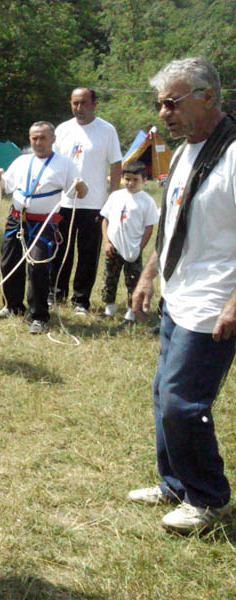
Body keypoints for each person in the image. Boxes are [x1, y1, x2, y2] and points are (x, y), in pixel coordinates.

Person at [128, 57, 236, 533]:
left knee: (182, 402)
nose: (164, 112)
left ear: (207, 97)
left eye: (172, 102)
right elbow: (172, 224)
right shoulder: (186, 151)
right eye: (160, 104)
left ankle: (209, 498)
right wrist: (149, 275)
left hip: (215, 300)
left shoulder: (233, 155)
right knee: (162, 394)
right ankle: (175, 484)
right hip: (178, 291)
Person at [0, 122, 87, 334]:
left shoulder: (65, 164)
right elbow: (4, 187)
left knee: (38, 267)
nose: (38, 142)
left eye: (43, 138)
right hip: (16, 220)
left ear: (53, 140)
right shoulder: (21, 161)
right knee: (9, 263)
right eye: (34, 138)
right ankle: (12, 306)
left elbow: (80, 192)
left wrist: (82, 187)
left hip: (43, 223)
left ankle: (38, 316)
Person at [51, 87, 123, 314]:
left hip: (93, 204)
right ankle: (56, 293)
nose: (78, 108)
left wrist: (112, 198)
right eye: (74, 103)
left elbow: (116, 164)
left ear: (94, 104)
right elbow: (53, 162)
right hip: (64, 202)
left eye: (83, 103)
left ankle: (80, 300)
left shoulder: (106, 130)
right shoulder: (62, 130)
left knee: (88, 254)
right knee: (61, 250)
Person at [99, 160, 158, 321]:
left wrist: (140, 247)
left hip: (132, 249)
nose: (130, 183)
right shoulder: (115, 196)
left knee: (133, 281)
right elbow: (105, 220)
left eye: (135, 180)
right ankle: (109, 309)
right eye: (127, 179)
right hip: (114, 247)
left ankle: (131, 312)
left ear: (144, 180)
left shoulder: (147, 201)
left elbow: (149, 227)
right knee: (109, 278)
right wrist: (107, 242)